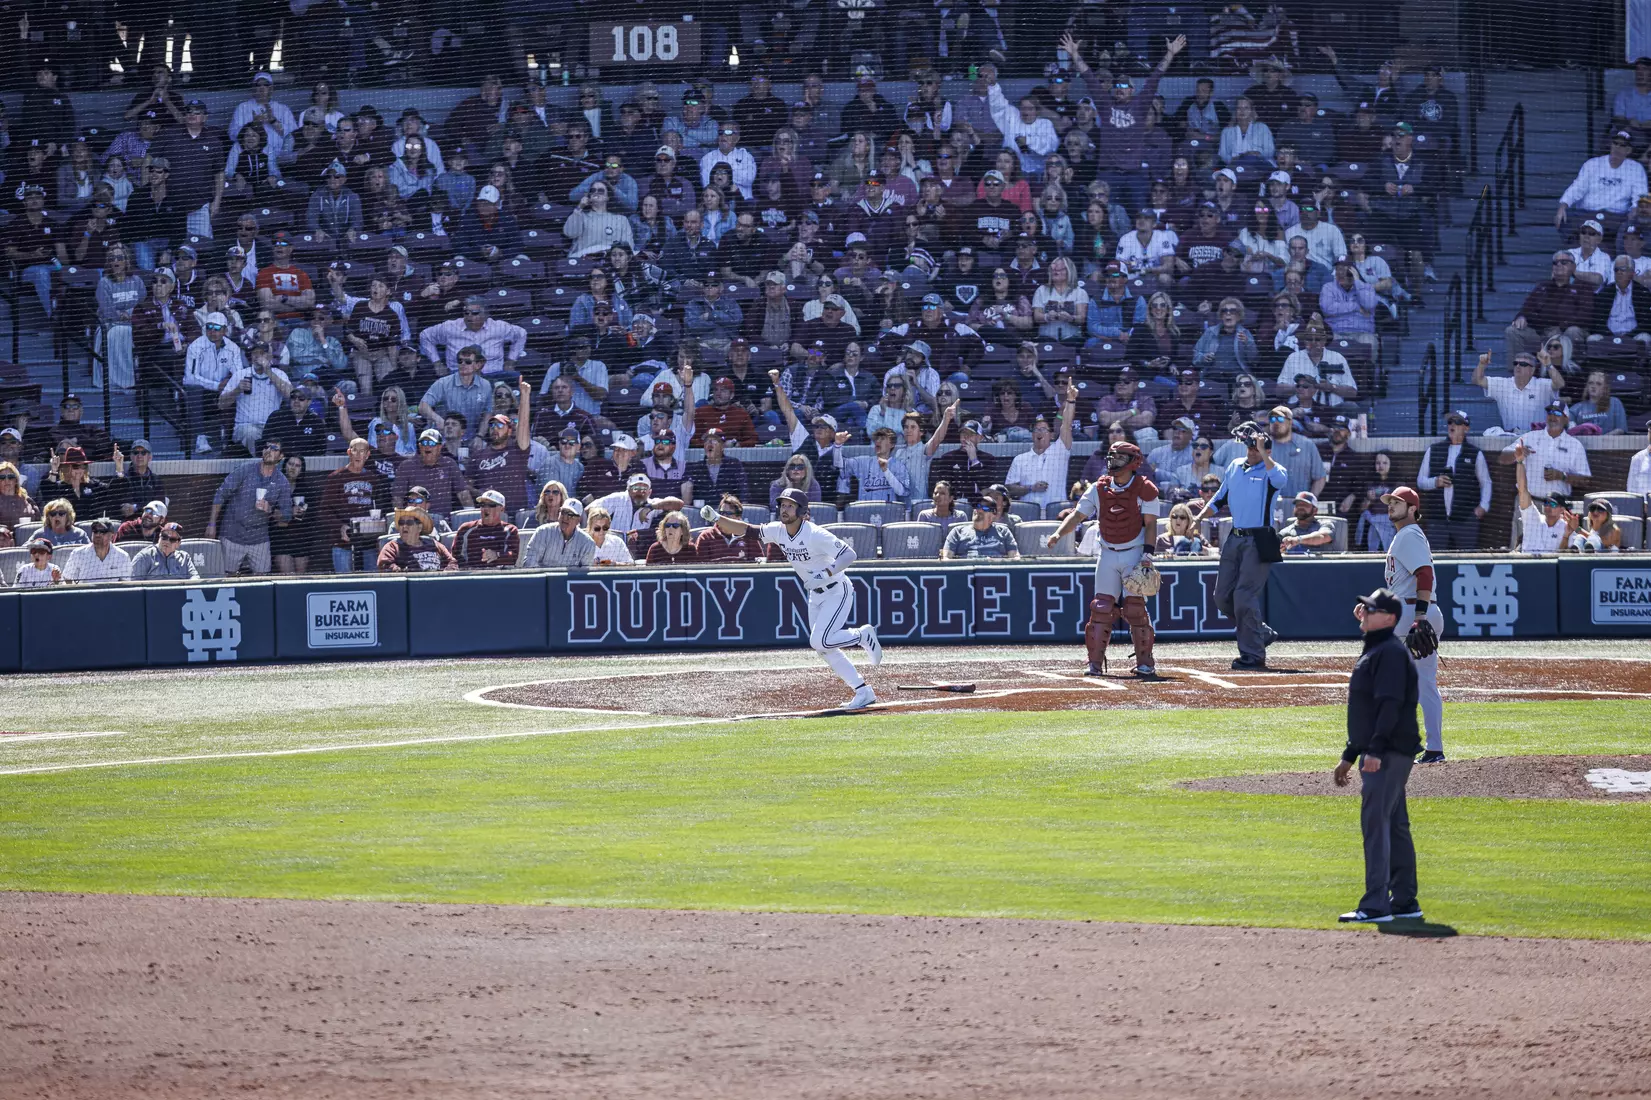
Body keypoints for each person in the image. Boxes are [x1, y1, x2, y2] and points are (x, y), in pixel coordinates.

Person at [700, 488, 882, 709]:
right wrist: (718, 519)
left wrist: (826, 573)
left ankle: (861, 635)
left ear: (802, 510)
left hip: (837, 590)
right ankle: (863, 691)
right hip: (815, 595)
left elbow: (849, 554)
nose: (784, 509)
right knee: (824, 648)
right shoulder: (778, 530)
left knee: (819, 641)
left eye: (790, 505)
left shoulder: (815, 534)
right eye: (782, 505)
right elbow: (747, 530)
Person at [1333, 588, 1425, 925]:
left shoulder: (1388, 653)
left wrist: (1373, 751)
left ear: (1388, 618)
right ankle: (1404, 901)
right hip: (1388, 751)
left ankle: (1375, 905)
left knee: (1376, 826)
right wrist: (1350, 754)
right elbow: (1366, 710)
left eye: (1371, 610)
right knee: (1395, 825)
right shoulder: (1380, 648)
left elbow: (1388, 705)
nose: (1363, 612)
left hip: (1387, 754)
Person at [1046, 441, 1160, 676]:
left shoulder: (1145, 488)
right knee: (1101, 608)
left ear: (1133, 462)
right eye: (1111, 457)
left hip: (1135, 553)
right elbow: (1078, 515)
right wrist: (1058, 533)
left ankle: (1145, 663)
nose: (1112, 462)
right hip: (1107, 552)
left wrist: (1147, 556)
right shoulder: (1099, 488)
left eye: (1119, 458)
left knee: (1135, 609)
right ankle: (1094, 664)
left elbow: (1150, 525)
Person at [1191, 421, 1289, 670]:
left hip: (1260, 538)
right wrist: (1199, 518)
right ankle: (1260, 633)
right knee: (1222, 597)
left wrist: (1264, 452)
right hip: (1235, 537)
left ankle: (1252, 655)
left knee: (1244, 597)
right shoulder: (1234, 467)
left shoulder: (1273, 470)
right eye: (1250, 447)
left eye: (1257, 448)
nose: (1252, 451)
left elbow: (1280, 480)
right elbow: (1220, 497)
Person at [1378, 486, 1447, 762]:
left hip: (1414, 614)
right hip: (1411, 611)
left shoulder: (1409, 535)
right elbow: (1402, 584)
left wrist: (1419, 617)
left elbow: (1425, 575)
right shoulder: (1404, 537)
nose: (1391, 505)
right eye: (1390, 501)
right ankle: (1431, 747)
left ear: (1413, 509)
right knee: (1418, 682)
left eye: (1398, 502)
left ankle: (1415, 743)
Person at [207, 439, 294, 574]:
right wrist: (212, 524)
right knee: (226, 578)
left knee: (263, 579)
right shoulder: (245, 470)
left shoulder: (282, 482)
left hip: (259, 539)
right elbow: (221, 494)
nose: (268, 451)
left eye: (274, 449)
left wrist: (270, 510)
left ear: (281, 456)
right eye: (267, 447)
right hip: (232, 534)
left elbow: (287, 515)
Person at [1416, 411, 1491, 552]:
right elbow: (1420, 481)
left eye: (1457, 422)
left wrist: (1483, 506)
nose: (1452, 425)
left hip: (1466, 519)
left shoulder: (1475, 453)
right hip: (1437, 520)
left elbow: (1486, 482)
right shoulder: (1434, 450)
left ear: (1466, 428)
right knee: (1436, 561)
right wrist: (1435, 482)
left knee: (1467, 559)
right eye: (1450, 422)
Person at [323, 438, 391, 573]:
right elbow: (324, 510)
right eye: (355, 450)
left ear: (368, 455)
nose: (359, 455)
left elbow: (381, 508)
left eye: (362, 451)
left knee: (373, 581)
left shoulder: (374, 479)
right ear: (349, 452)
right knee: (345, 584)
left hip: (369, 543)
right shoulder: (335, 478)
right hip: (342, 543)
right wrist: (340, 526)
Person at [1005, 394, 1077, 511]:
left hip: (1056, 512)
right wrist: (1031, 488)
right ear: (1032, 435)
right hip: (1028, 514)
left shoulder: (1060, 451)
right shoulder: (1020, 459)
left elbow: (1067, 425)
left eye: (1043, 429)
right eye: (1036, 430)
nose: (1039, 432)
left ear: (1051, 435)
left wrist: (1070, 401)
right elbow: (1009, 488)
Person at [1513, 443, 1575, 554]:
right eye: (1546, 502)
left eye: (1553, 504)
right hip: (1525, 567)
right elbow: (1522, 490)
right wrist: (1520, 462)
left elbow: (1566, 556)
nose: (1547, 506)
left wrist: (1566, 535)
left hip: (1550, 569)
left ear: (1562, 509)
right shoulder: (1532, 518)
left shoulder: (1567, 527)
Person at [520, 497, 596, 569]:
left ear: (578, 520)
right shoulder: (542, 532)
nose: (565, 517)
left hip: (569, 582)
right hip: (543, 581)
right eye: (563, 512)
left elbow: (585, 576)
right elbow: (529, 564)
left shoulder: (587, 543)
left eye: (570, 515)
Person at [378, 508, 458, 572]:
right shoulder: (392, 547)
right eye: (401, 522)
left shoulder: (434, 544)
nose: (404, 526)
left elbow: (452, 562)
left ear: (419, 527)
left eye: (409, 523)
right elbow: (385, 565)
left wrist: (445, 573)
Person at [941, 500, 1022, 560]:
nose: (978, 509)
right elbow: (946, 559)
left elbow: (1015, 558)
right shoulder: (957, 532)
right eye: (977, 506)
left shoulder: (1004, 531)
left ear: (993, 515)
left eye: (984, 508)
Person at [63, 518, 134, 584]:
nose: (98, 535)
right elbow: (67, 579)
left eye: (103, 532)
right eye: (95, 531)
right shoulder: (78, 554)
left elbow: (126, 583)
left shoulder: (122, 556)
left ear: (112, 536)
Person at [129, 523, 200, 581]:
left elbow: (195, 578)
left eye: (172, 539)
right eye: (164, 537)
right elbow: (134, 585)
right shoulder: (144, 556)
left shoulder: (184, 557)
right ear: (159, 537)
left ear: (178, 543)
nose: (167, 541)